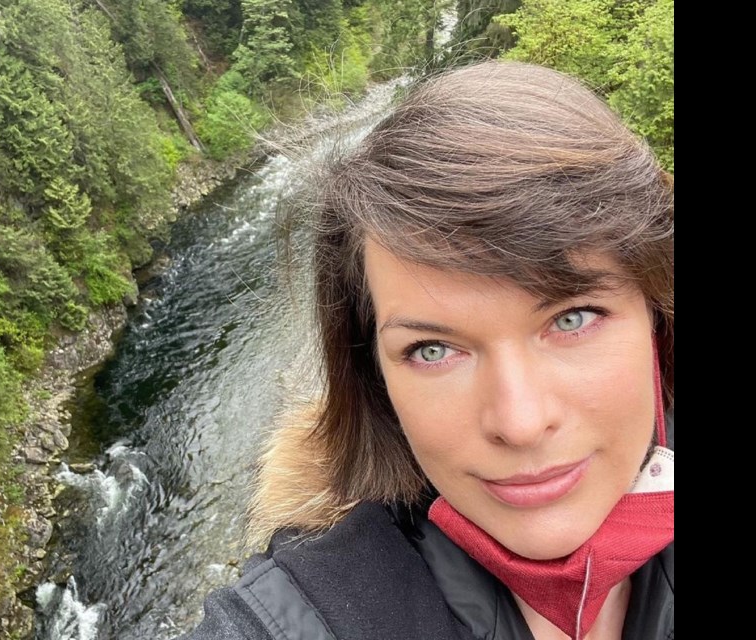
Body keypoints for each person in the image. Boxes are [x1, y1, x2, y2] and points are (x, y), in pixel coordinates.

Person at [180, 60, 674, 640]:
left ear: (657, 321)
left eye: (572, 318)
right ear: (375, 379)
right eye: (434, 350)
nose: (519, 422)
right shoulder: (299, 617)